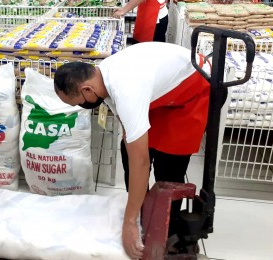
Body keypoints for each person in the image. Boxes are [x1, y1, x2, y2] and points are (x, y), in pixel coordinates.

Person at [53, 42, 210, 259]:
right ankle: (141, 215)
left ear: (86, 89)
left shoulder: (126, 88)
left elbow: (142, 162)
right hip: (162, 93)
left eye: (78, 103)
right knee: (128, 152)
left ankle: (166, 230)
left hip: (194, 86)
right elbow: (133, 144)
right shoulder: (101, 77)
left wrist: (127, 223)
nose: (81, 107)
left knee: (168, 165)